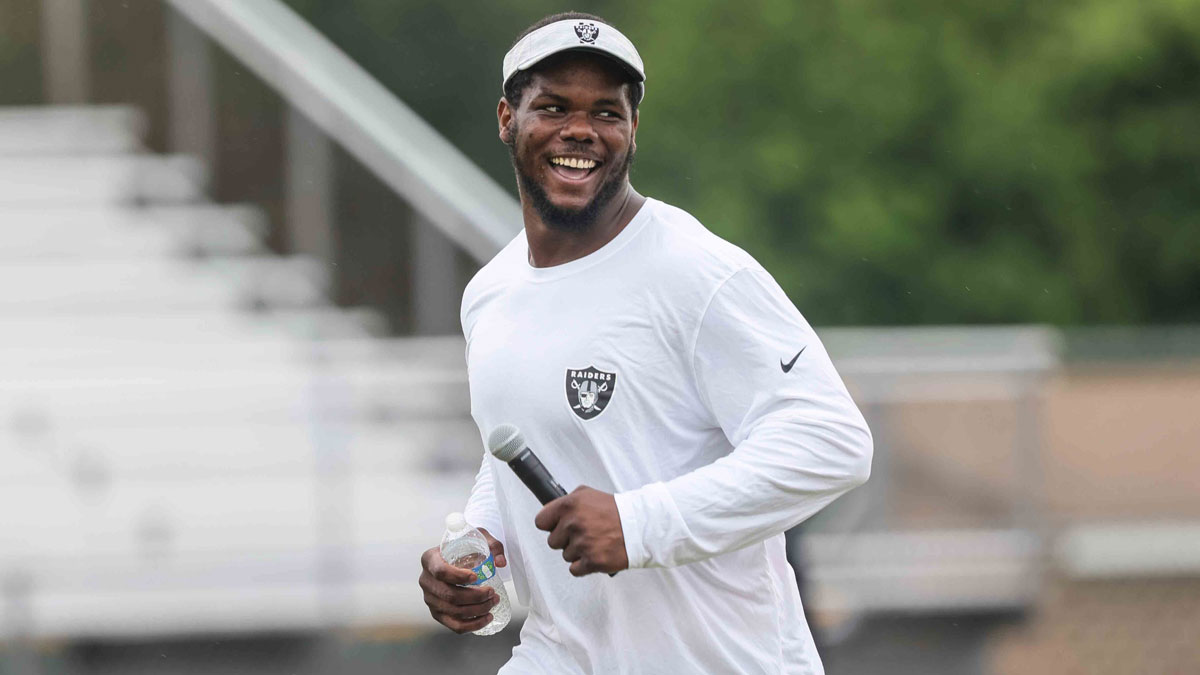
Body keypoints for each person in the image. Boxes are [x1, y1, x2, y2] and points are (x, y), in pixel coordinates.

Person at [418, 12, 872, 674]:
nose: (580, 129)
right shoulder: (490, 292)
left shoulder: (698, 273)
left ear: (633, 130)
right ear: (507, 118)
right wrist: (482, 548)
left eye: (607, 111)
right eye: (553, 106)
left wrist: (637, 524)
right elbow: (519, 445)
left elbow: (833, 443)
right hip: (559, 655)